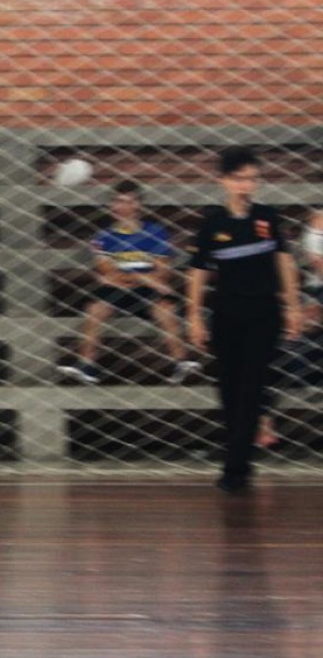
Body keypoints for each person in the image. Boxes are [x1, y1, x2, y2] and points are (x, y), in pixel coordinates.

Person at [186, 147, 302, 494]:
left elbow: (284, 262)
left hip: (263, 313)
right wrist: (194, 316)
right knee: (229, 390)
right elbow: (198, 272)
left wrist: (293, 306)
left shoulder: (267, 217)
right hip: (226, 313)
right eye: (239, 178)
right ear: (223, 180)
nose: (246, 185)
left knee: (253, 387)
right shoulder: (212, 223)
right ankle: (237, 456)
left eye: (252, 178)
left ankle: (236, 467)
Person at [57, 180, 198, 385]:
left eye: (127, 201)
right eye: (117, 201)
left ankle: (181, 363)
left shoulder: (155, 232)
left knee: (166, 311)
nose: (121, 206)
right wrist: (142, 277)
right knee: (94, 310)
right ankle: (86, 366)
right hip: (119, 291)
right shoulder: (103, 237)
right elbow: (107, 274)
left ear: (138, 205)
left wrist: (129, 277)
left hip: (146, 292)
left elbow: (162, 274)